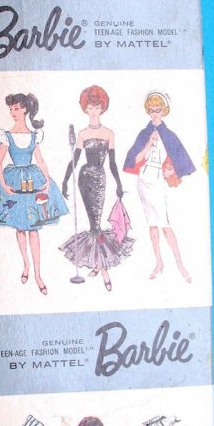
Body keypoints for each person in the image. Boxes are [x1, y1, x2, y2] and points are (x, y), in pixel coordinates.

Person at [0, 93, 68, 295]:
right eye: (11, 109)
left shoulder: (34, 135)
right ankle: (26, 265)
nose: (13, 112)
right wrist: (4, 185)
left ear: (25, 109)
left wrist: (47, 180)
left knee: (34, 229)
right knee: (20, 228)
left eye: (17, 108)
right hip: (14, 182)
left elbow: (40, 160)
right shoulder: (6, 135)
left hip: (32, 181)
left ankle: (38, 274)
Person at [60, 85, 131, 291]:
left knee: (97, 223)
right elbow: (74, 159)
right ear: (85, 108)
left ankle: (100, 265)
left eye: (97, 107)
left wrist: (119, 183)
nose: (93, 111)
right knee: (94, 223)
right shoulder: (82, 134)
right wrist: (65, 180)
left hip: (100, 178)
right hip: (84, 177)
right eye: (90, 107)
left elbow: (112, 163)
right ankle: (102, 267)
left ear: (102, 108)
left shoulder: (109, 133)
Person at [124, 91, 194, 281]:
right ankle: (159, 262)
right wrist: (148, 143)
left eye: (158, 110)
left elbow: (179, 160)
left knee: (164, 224)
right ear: (148, 111)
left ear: (164, 111)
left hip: (157, 182)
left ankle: (180, 265)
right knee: (152, 224)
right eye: (151, 110)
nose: (154, 113)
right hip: (143, 180)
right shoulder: (144, 133)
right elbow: (135, 160)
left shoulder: (169, 135)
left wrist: (172, 172)